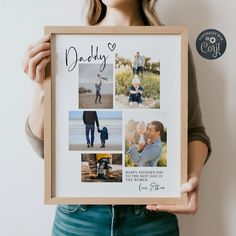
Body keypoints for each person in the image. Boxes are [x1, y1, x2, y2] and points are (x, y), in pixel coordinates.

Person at [23, 0, 211, 235]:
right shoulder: (67, 47)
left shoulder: (173, 45)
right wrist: (41, 88)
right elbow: (44, 149)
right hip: (78, 219)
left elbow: (194, 132)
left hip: (151, 219)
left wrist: (192, 178)